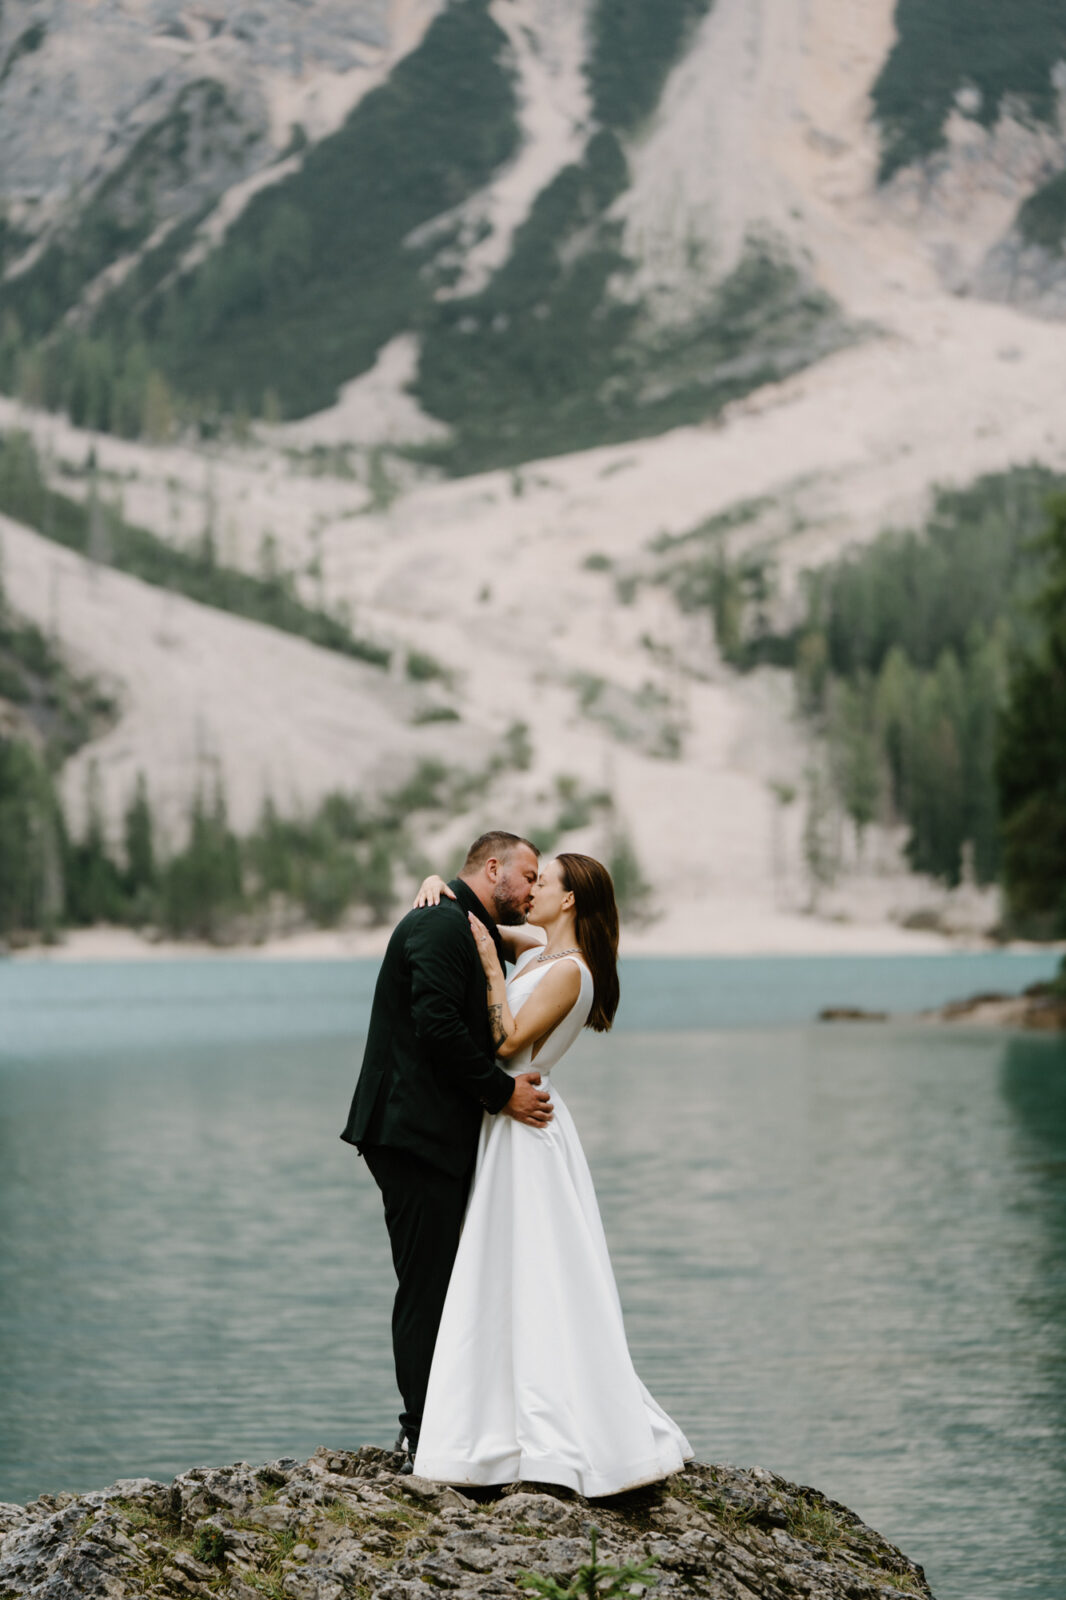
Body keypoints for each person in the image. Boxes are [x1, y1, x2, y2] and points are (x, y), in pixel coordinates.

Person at [409, 852, 691, 1495]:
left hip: (523, 1123)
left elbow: (508, 1043)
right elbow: (473, 916)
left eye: (545, 883)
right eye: (531, 878)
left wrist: (485, 965)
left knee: (533, 1271)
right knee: (500, 1270)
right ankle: (489, 1424)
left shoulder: (571, 972)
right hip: (504, 1118)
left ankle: (548, 1434)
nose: (531, 890)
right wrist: (437, 885)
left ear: (569, 901)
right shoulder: (539, 947)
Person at [339, 831, 555, 1472]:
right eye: (528, 875)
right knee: (426, 1284)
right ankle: (419, 1432)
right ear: (494, 869)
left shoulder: (464, 922)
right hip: (411, 1136)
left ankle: (449, 1422)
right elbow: (436, 1027)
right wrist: (502, 1095)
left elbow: (554, 941)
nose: (534, 888)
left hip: (434, 1134)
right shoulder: (438, 928)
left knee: (447, 1280)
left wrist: (444, 887)